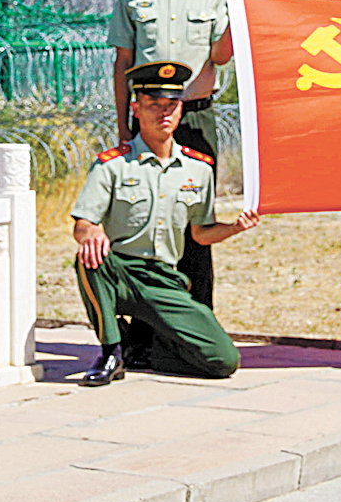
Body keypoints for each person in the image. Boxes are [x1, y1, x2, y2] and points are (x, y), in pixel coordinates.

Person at [70, 59, 259, 386]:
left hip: (165, 279)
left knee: (223, 360)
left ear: (181, 109)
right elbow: (83, 224)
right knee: (90, 259)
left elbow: (200, 234)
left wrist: (235, 227)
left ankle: (150, 350)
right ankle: (111, 350)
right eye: (153, 105)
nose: (164, 113)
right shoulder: (113, 166)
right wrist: (93, 231)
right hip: (121, 272)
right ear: (136, 109)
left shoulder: (198, 170)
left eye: (171, 105)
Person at [107, 0, 236, 306]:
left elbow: (219, 56)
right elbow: (122, 62)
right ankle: (146, 325)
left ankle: (198, 317)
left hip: (196, 118)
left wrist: (241, 25)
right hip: (146, 119)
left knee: (197, 222)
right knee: (142, 219)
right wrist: (123, 126)